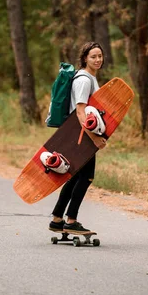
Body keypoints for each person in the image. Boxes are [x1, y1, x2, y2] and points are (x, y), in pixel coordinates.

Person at [49, 42, 107, 234]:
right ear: (84, 59)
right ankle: (71, 220)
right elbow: (80, 112)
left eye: (100, 56)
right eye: (93, 57)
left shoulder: (90, 77)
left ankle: (58, 219)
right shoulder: (83, 80)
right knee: (86, 177)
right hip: (81, 135)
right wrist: (94, 138)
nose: (98, 60)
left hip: (77, 133)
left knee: (75, 176)